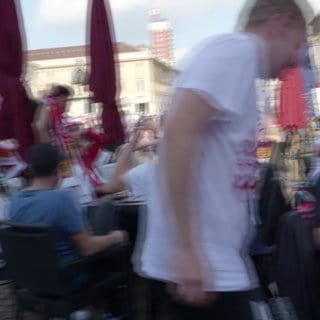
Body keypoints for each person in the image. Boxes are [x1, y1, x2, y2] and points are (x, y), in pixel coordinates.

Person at [138, 1, 307, 319]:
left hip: (213, 266)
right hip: (204, 268)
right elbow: (177, 135)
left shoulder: (241, 64)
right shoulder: (238, 51)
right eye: (297, 44)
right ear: (279, 24)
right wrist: (187, 249)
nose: (295, 59)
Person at [9, 143, 127, 289]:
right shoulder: (61, 198)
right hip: (70, 278)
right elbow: (88, 249)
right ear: (58, 170)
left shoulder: (16, 200)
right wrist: (117, 236)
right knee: (111, 220)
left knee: (102, 211)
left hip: (35, 281)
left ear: (30, 169)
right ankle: (118, 304)